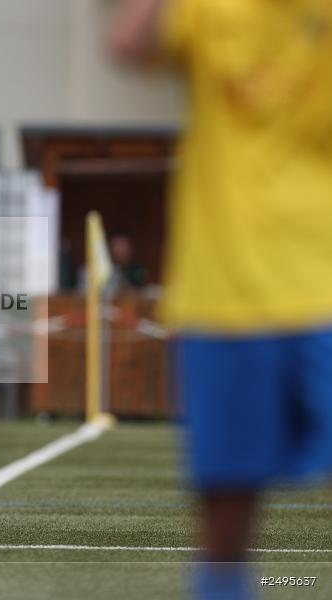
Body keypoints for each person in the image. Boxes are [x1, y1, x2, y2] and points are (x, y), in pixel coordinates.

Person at [112, 2, 332, 598]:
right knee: (229, 515)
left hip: (323, 281)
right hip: (224, 293)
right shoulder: (211, 5)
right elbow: (129, 42)